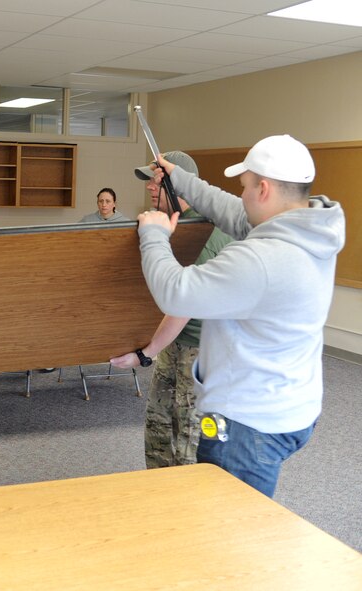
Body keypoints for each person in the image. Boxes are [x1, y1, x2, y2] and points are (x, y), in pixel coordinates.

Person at [134, 135, 344, 497]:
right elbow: (231, 210)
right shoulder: (310, 229)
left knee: (230, 527)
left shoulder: (262, 258)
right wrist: (180, 179)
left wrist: (153, 235)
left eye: (245, 186)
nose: (241, 195)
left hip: (246, 423)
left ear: (263, 189)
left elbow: (176, 291)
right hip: (290, 404)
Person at [110, 152, 232, 468]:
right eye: (150, 180)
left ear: (181, 185)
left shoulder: (203, 231)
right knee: (160, 429)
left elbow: (183, 303)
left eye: (157, 181)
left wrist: (146, 352)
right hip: (173, 343)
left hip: (200, 351)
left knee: (189, 440)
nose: (150, 188)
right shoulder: (169, 223)